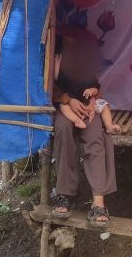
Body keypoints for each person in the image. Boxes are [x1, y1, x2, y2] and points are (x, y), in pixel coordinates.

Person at [50, 33, 117, 227]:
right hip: (64, 107)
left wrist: (92, 101)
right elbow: (47, 87)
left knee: (97, 136)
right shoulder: (53, 62)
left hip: (87, 109)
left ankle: (98, 202)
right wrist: (68, 101)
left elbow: (96, 87)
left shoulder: (83, 65)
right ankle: (64, 195)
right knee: (63, 131)